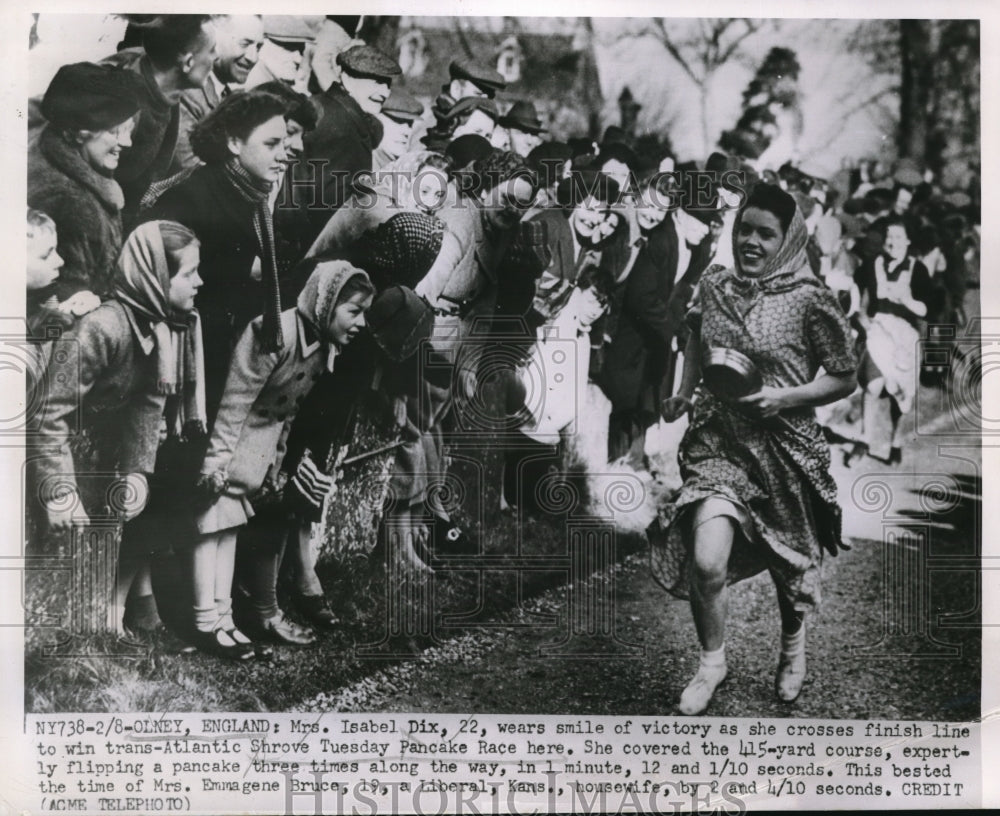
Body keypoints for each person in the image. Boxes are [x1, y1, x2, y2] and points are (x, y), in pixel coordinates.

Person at [649, 182, 858, 715]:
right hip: (720, 442)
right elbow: (697, 337)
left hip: (785, 448)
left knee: (789, 566)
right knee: (706, 558)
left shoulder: (812, 300)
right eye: (745, 229)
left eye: (766, 234)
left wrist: (786, 397)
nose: (750, 241)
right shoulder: (716, 283)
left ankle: (792, 648)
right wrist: (684, 390)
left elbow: (843, 376)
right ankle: (711, 663)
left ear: (788, 239)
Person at [189, 261, 373, 656]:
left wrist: (276, 464)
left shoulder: (323, 346)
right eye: (353, 311)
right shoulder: (272, 331)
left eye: (364, 313)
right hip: (232, 448)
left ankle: (224, 619)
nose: (360, 322)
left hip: (256, 457)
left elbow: (288, 414)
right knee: (212, 528)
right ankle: (206, 620)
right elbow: (234, 403)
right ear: (326, 305)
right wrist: (216, 464)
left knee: (230, 531)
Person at [31, 220, 204, 636]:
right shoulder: (104, 328)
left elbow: (148, 404)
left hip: (100, 458)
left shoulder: (156, 327)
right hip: (63, 456)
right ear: (156, 278)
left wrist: (137, 472)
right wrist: (59, 490)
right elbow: (49, 411)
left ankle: (98, 625)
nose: (199, 282)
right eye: (188, 273)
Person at [144, 89, 289, 422]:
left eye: (284, 143)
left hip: (213, 349)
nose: (284, 155)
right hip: (179, 359)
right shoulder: (195, 195)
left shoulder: (248, 196)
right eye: (271, 144)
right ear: (234, 143)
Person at [28, 61, 143, 300]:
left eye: (128, 131)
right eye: (114, 132)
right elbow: (67, 301)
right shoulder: (72, 203)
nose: (127, 143)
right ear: (80, 132)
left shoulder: (50, 146)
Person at [101, 15, 217, 226]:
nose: (215, 58)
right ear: (188, 62)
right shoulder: (127, 106)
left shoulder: (166, 93)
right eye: (211, 51)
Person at [600, 176, 680, 466]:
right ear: (636, 198)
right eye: (649, 205)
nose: (653, 214)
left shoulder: (643, 232)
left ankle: (612, 464)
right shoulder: (623, 225)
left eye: (660, 210)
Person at [297, 44, 400, 238]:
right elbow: (327, 206)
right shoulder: (340, 124)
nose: (385, 93)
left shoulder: (333, 110)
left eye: (387, 84)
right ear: (345, 77)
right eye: (376, 81)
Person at [853, 217, 933, 464]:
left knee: (901, 394)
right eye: (889, 237)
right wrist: (861, 317)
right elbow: (858, 293)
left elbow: (927, 309)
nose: (892, 242)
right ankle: (864, 441)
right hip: (878, 330)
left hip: (906, 335)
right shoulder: (871, 264)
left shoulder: (917, 269)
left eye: (898, 237)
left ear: (907, 241)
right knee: (873, 386)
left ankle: (896, 442)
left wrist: (908, 300)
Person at [171, 14, 265, 173]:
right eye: (245, 44)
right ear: (215, 38)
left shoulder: (227, 96)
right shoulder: (188, 92)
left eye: (258, 47)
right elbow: (189, 170)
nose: (253, 58)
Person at [373, 89, 425, 170]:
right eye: (398, 121)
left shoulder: (408, 168)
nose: (407, 131)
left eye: (410, 124)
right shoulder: (357, 165)